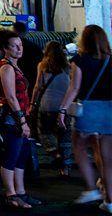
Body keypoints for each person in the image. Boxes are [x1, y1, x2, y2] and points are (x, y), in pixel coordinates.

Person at [57, 25, 112, 209]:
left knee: (79, 147)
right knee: (107, 158)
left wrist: (63, 109)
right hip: (109, 110)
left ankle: (91, 188)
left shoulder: (79, 60)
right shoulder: (110, 59)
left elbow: (74, 88)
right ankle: (109, 200)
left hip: (87, 109)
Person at [0, 30, 39, 209]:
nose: (19, 48)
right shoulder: (6, 67)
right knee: (12, 155)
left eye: (20, 45)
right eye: (15, 45)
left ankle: (20, 192)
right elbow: (11, 97)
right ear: (6, 48)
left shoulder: (14, 66)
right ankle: (11, 194)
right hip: (12, 118)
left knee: (21, 155)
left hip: (19, 116)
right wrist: (21, 120)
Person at [32, 41, 71, 177]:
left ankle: (56, 154)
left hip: (47, 105)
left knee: (45, 133)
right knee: (64, 136)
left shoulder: (42, 66)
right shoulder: (68, 67)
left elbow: (38, 86)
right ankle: (65, 168)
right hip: (65, 107)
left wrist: (32, 103)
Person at [13, 20, 41, 91]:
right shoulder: (34, 47)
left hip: (16, 79)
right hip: (32, 78)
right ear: (25, 32)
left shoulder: (10, 48)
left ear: (14, 32)